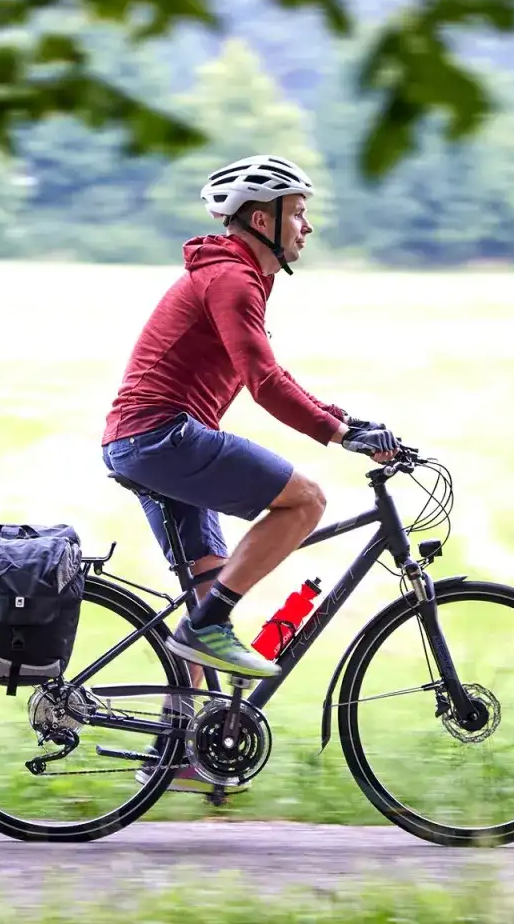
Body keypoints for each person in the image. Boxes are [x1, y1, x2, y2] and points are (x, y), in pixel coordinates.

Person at [99, 154, 399, 793]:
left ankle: (176, 757)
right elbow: (264, 385)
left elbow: (271, 372)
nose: (307, 227)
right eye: (299, 212)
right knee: (305, 502)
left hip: (149, 441)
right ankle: (212, 626)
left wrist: (346, 419)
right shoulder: (231, 281)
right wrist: (339, 435)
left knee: (206, 594)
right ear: (261, 218)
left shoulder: (237, 279)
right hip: (162, 437)